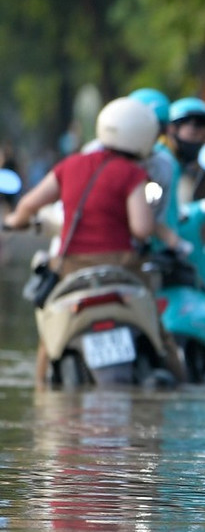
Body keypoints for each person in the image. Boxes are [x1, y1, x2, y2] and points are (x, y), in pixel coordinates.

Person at [4, 97, 186, 383]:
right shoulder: (133, 174)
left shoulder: (71, 165)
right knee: (159, 333)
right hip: (122, 269)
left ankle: (42, 395)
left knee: (49, 335)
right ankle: (183, 387)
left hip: (70, 269)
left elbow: (28, 205)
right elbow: (141, 228)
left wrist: (15, 221)